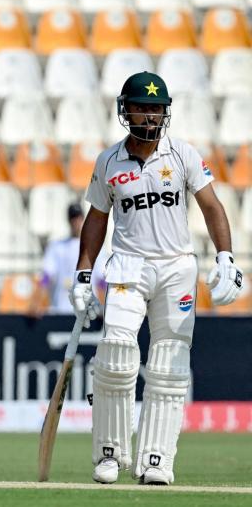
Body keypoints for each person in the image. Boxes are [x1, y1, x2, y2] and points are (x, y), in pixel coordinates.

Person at [71, 72, 243, 486]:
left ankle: (155, 460)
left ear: (165, 112)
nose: (149, 114)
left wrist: (226, 257)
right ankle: (110, 453)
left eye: (156, 107)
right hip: (128, 264)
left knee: (169, 362)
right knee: (115, 350)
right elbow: (96, 220)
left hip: (176, 268)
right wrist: (83, 275)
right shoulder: (109, 161)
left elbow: (213, 207)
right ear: (124, 109)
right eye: (141, 106)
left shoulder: (182, 154)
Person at [29, 203, 107, 317]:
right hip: (61, 311)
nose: (76, 222)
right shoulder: (56, 247)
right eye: (73, 219)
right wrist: (36, 302)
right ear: (68, 221)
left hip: (88, 312)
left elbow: (102, 280)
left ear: (83, 219)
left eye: (78, 218)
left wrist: (105, 306)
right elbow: (46, 277)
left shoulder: (95, 247)